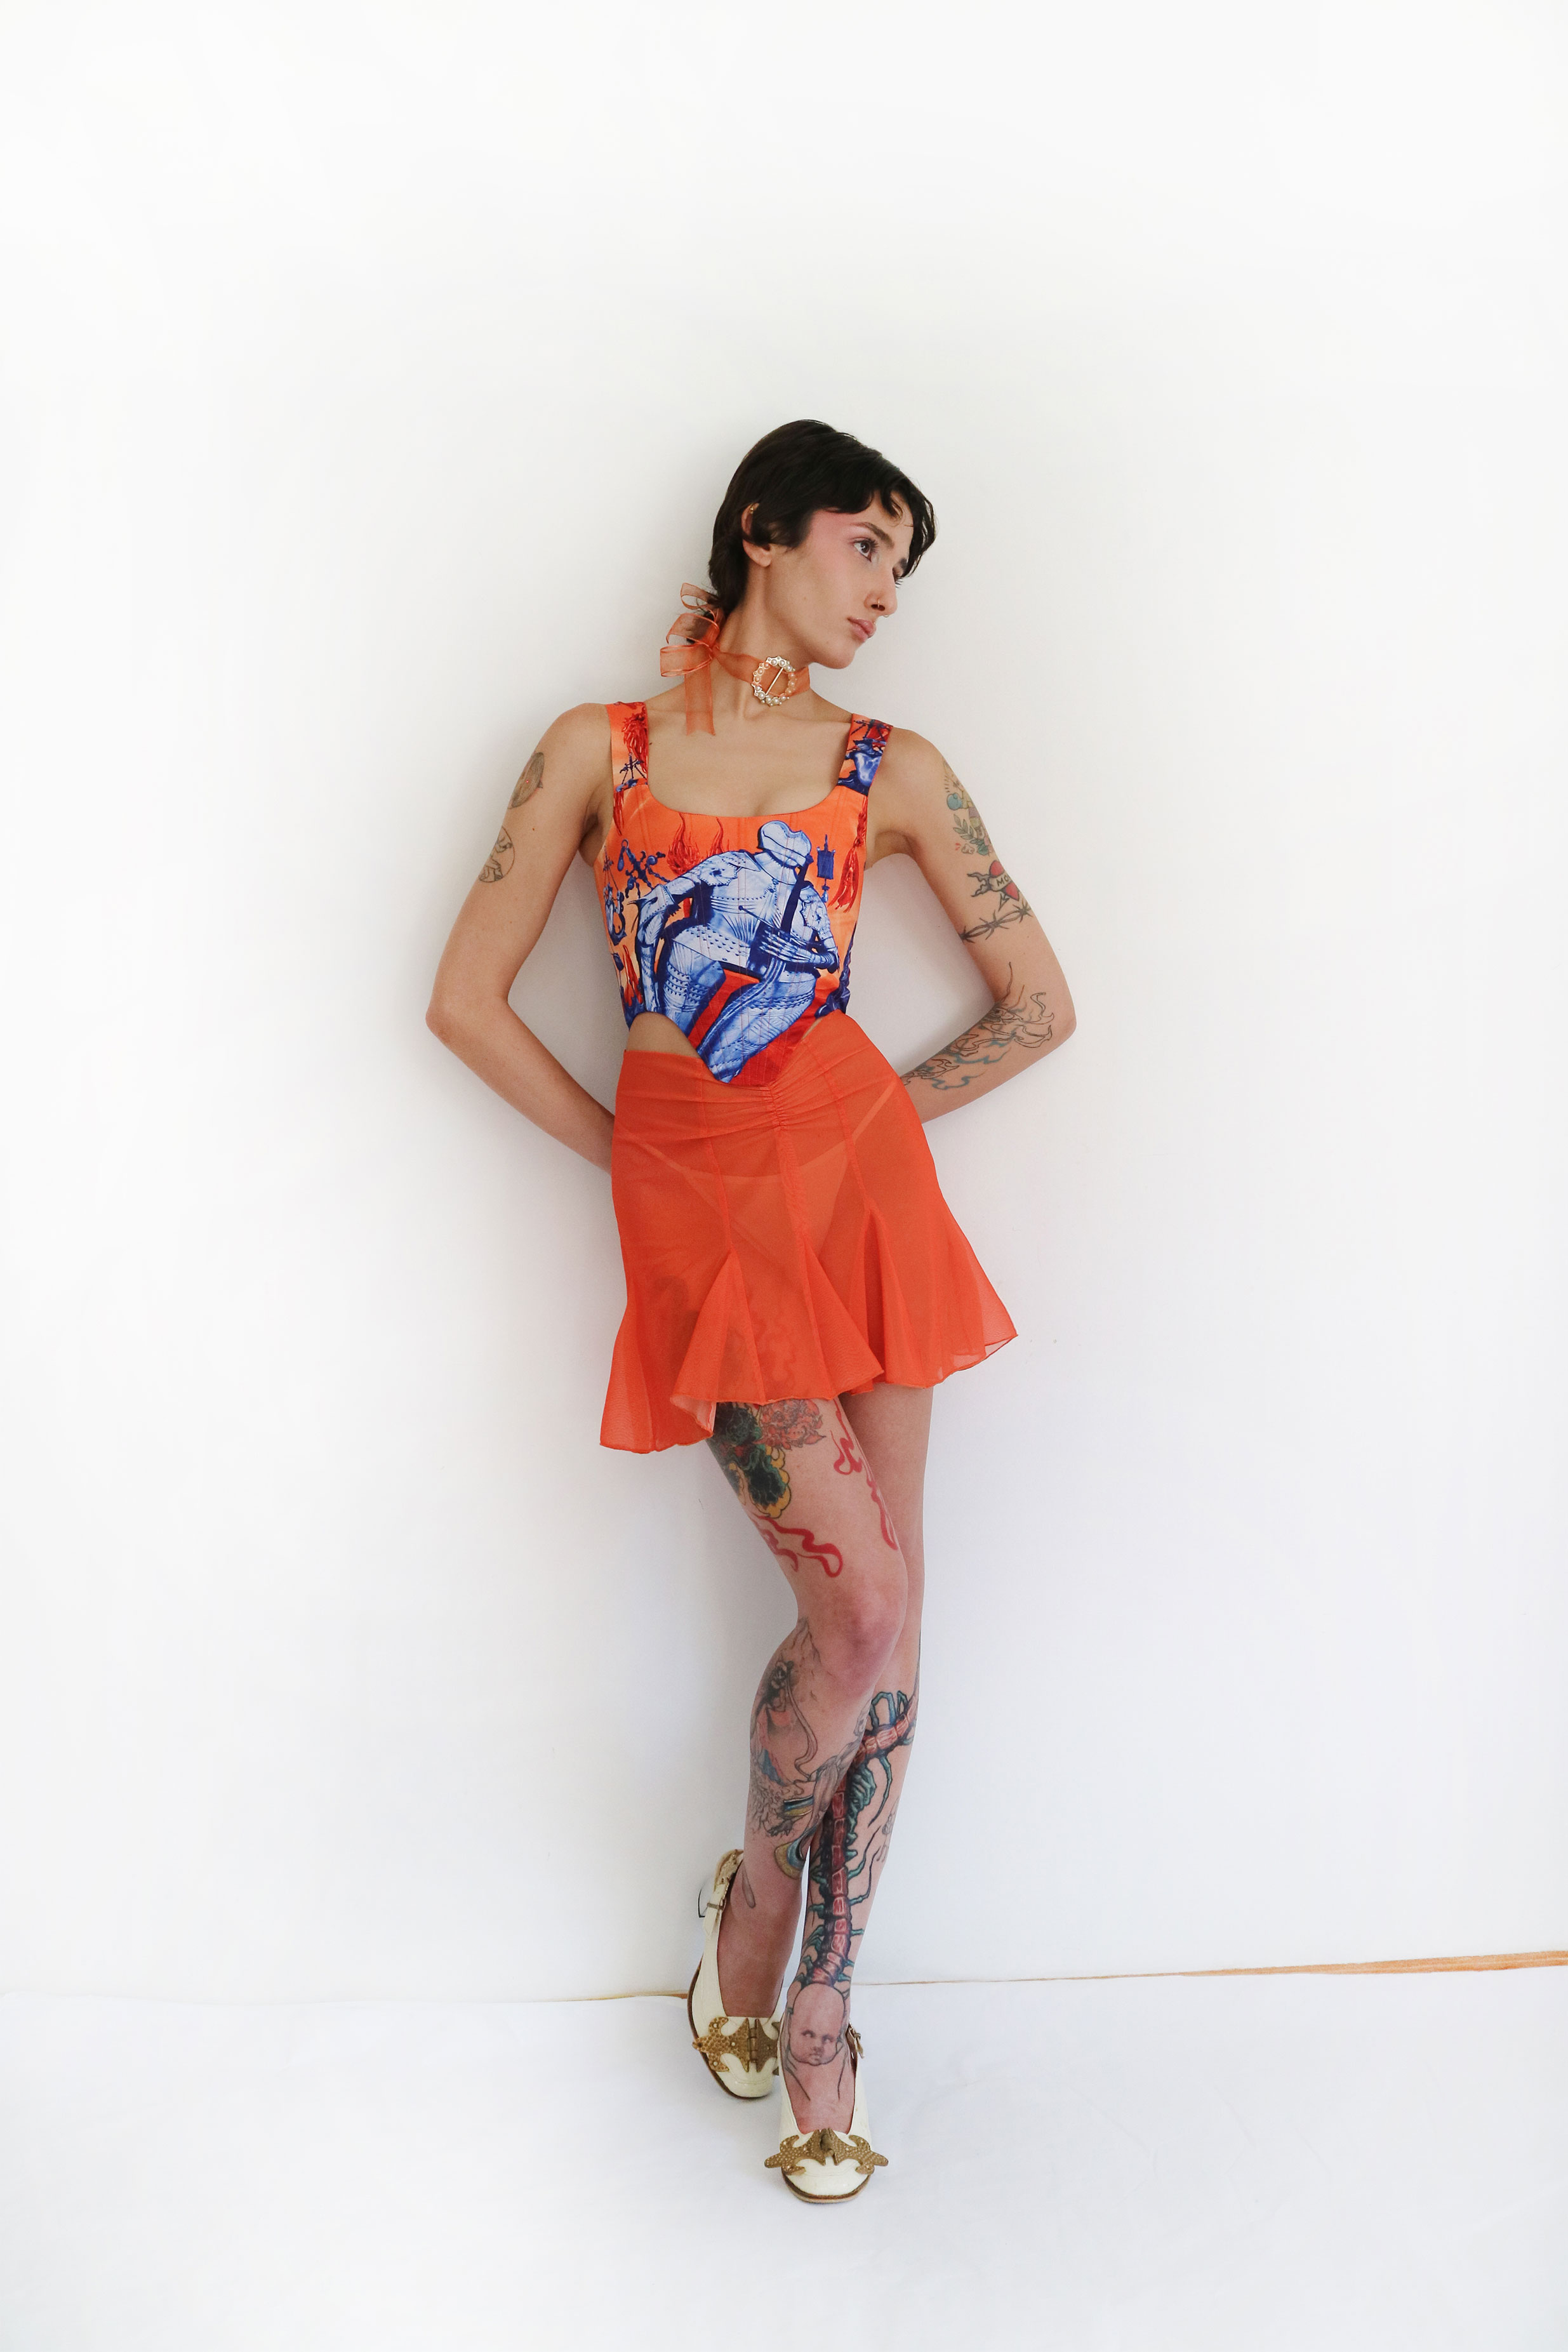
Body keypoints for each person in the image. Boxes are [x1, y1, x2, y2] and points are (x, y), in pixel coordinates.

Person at [427, 419, 1076, 2202]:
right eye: (867, 546)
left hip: (863, 1209)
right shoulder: (602, 749)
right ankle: (757, 1901)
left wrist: (866, 1124)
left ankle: (826, 2005)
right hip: (703, 1223)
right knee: (856, 1601)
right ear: (765, 532)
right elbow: (467, 1000)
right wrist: (631, 1153)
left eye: (902, 567)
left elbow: (1040, 1004)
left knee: (893, 1607)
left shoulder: (891, 769)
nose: (886, 594)